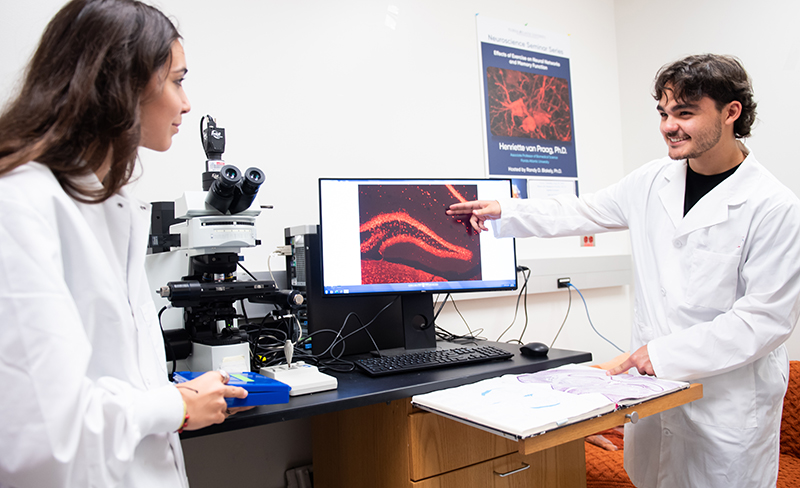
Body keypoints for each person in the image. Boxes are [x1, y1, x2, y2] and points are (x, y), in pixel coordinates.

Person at [448, 54, 800, 487]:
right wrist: (506, 210)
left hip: (727, 405)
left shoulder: (774, 206)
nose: (669, 126)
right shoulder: (653, 181)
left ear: (731, 113)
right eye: (664, 113)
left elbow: (765, 319)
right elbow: (581, 210)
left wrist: (660, 355)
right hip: (653, 399)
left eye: (685, 113)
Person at [0, 1, 249, 487]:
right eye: (177, 80)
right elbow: (45, 438)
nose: (187, 103)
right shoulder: (21, 204)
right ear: (123, 85)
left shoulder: (111, 204)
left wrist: (174, 397)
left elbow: (114, 375)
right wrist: (173, 405)